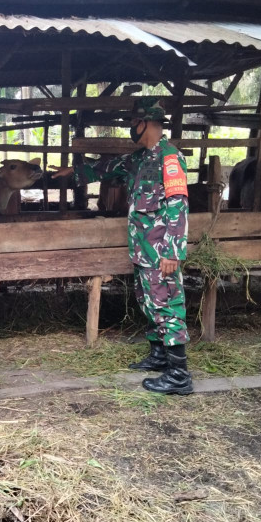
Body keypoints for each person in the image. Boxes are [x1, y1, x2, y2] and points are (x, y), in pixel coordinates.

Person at [51, 97, 192, 395]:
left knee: (166, 306)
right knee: (148, 302)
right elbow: (107, 168)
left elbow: (178, 207)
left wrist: (171, 252)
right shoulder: (140, 158)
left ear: (146, 122)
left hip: (160, 252)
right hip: (143, 250)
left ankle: (179, 375)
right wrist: (74, 173)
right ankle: (158, 356)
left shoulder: (170, 158)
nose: (131, 128)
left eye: (133, 123)